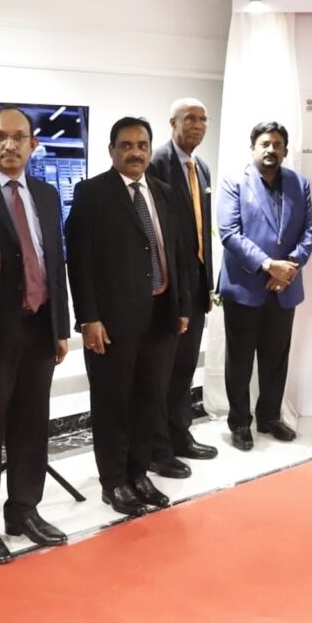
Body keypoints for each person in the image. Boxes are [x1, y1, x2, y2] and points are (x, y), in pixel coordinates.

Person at [0, 105, 71, 565]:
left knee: (31, 424)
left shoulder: (45, 193)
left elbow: (54, 261)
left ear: (33, 144)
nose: (10, 145)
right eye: (0, 137)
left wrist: (60, 326)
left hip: (39, 327)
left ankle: (24, 510)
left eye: (19, 136)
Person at [65, 116, 192, 516]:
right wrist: (88, 318)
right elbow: (79, 262)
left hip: (160, 314)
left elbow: (176, 252)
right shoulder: (91, 193)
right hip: (112, 321)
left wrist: (182, 306)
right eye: (126, 145)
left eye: (142, 145)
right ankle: (114, 481)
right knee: (113, 403)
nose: (135, 152)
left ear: (150, 149)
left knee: (149, 400)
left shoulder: (163, 192)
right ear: (112, 150)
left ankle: (139, 474)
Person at [217, 121, 312, 451]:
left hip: (284, 287)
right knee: (240, 360)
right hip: (245, 286)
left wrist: (289, 267)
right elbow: (229, 233)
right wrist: (268, 265)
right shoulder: (234, 182)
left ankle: (270, 417)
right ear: (253, 148)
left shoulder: (299, 183)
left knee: (276, 357)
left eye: (277, 144)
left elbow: (310, 231)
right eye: (265, 143)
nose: (271, 149)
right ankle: (239, 423)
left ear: (285, 150)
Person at [147, 98, 218, 470]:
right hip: (169, 290)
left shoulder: (200, 167)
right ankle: (157, 449)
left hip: (196, 287)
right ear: (172, 122)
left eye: (203, 119)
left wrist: (206, 284)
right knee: (162, 373)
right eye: (190, 118)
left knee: (185, 369)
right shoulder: (156, 163)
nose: (198, 125)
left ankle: (180, 435)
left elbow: (201, 232)